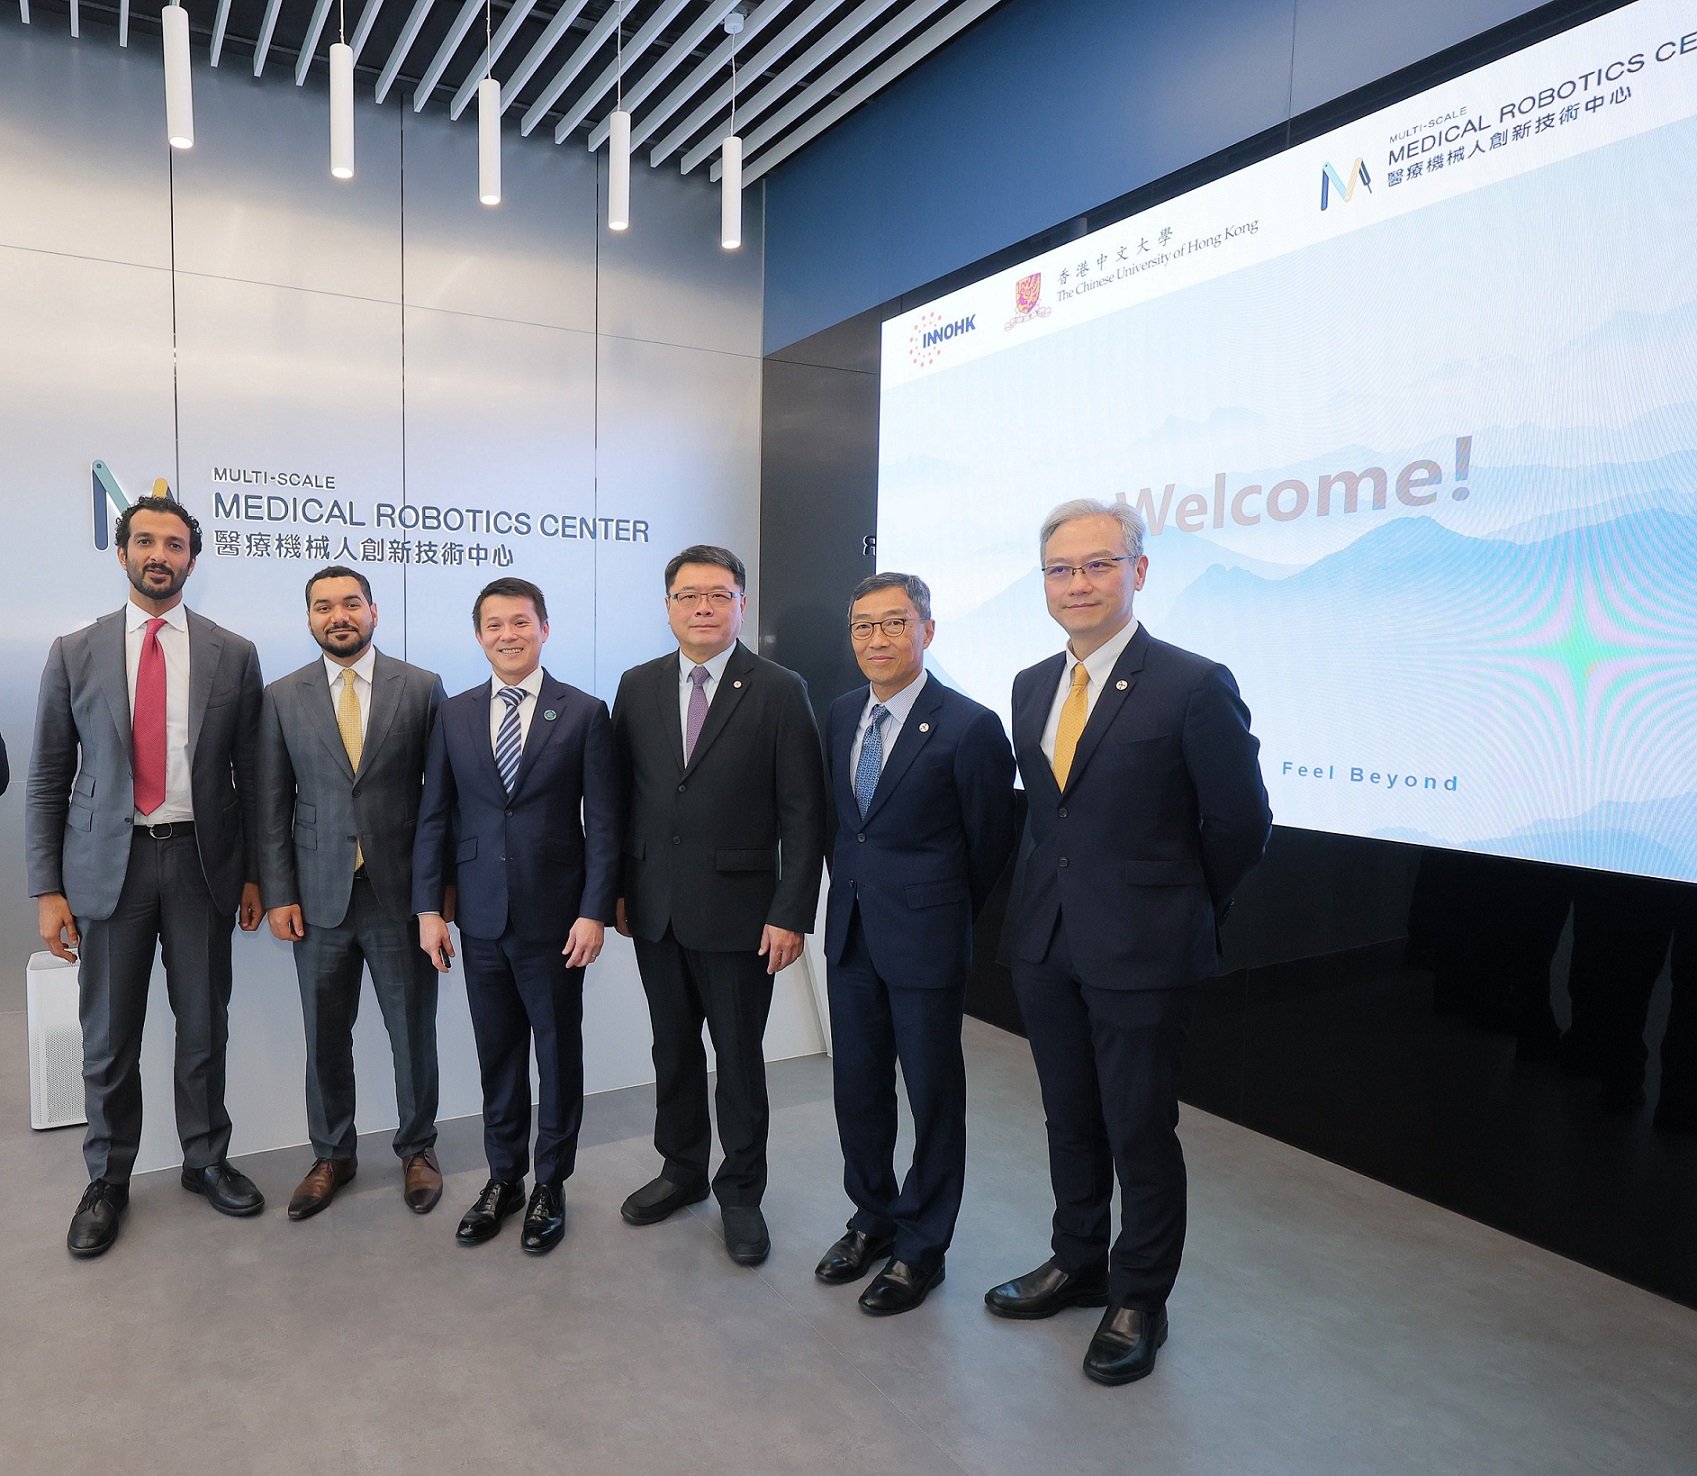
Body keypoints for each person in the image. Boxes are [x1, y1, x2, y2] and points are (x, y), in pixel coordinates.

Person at [986, 497, 1271, 1386]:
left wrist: (1176, 904)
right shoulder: (1032, 683)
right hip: (1045, 939)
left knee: (1138, 1127)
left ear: (1137, 571)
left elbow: (1239, 823)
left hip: (1142, 947)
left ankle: (1139, 1294)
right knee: (1068, 1117)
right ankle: (1078, 1261)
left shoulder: (1191, 682)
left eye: (1098, 565)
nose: (1078, 583)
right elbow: (1047, 817)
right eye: (1061, 569)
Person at [28, 495, 266, 1258]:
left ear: (193, 558)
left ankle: (205, 1159)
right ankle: (108, 1180)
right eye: (144, 541)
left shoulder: (233, 652)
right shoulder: (75, 650)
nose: (158, 554)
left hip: (201, 862)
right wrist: (46, 888)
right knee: (108, 1037)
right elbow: (47, 778)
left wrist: (258, 874)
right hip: (110, 866)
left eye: (173, 543)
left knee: (203, 1026)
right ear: (123, 552)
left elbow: (256, 777)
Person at [611, 545, 827, 1267]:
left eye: (717, 595)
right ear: (668, 605)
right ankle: (680, 1172)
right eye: (687, 595)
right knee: (671, 1052)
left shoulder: (778, 688)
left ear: (740, 604)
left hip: (741, 913)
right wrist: (615, 890)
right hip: (654, 909)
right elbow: (620, 802)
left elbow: (802, 811)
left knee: (736, 1061)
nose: (702, 608)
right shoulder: (636, 686)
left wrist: (791, 910)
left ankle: (740, 1194)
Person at [816, 573, 1015, 1314]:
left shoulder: (968, 725)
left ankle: (921, 1246)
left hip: (926, 939)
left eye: (893, 624)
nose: (876, 639)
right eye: (863, 626)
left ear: (926, 630)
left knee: (933, 1097)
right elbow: (847, 830)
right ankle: (870, 1217)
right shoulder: (839, 715)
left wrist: (935, 909)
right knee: (857, 1089)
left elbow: (989, 842)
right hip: (853, 935)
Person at [412, 577, 618, 1254]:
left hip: (557, 921)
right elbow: (434, 816)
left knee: (557, 1055)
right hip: (479, 919)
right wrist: (428, 908)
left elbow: (605, 824)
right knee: (497, 1056)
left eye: (521, 622)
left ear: (544, 628)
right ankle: (504, 1179)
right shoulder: (456, 713)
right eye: (494, 624)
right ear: (479, 635)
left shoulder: (583, 712)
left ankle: (551, 1185)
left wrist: (593, 913)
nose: (508, 634)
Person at [258, 566, 448, 1221]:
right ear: (309, 618)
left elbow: (438, 804)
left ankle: (417, 1150)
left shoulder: (420, 688)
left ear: (373, 610)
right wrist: (280, 893)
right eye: (323, 606)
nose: (338, 615)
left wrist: (435, 898)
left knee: (410, 1035)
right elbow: (271, 802)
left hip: (399, 898)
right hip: (317, 901)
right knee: (325, 1038)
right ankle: (332, 1155)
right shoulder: (282, 696)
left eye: (350, 603)